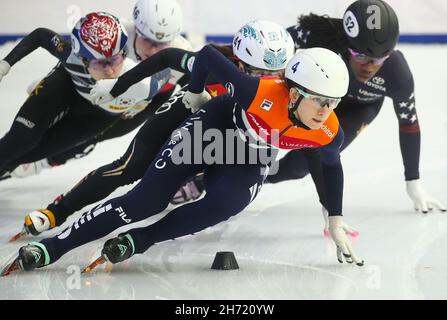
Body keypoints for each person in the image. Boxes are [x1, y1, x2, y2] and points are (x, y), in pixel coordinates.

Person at [2, 43, 367, 276]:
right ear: (293, 93)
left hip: (249, 153)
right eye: (320, 100)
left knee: (226, 203)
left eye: (333, 103)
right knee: (143, 200)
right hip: (215, 125)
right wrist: (193, 94)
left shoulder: (326, 129)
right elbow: (208, 55)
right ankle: (53, 246)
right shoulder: (257, 91)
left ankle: (141, 240)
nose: (327, 111)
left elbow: (331, 166)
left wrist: (335, 217)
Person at [10, 20, 295, 241]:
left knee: (238, 163)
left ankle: (194, 183)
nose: (268, 82)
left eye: (277, 75)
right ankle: (57, 211)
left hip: (227, 131)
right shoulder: (218, 67)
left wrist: (333, 214)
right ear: (240, 63)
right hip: (188, 109)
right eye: (258, 74)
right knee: (128, 167)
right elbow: (167, 57)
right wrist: (119, 86)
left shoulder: (289, 88)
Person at [173, 0, 447, 224]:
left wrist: (414, 182)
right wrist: (213, 67)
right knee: (254, 130)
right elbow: (269, 46)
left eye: (378, 59)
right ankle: (204, 168)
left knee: (297, 167)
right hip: (308, 95)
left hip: (356, 109)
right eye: (360, 56)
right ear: (346, 43)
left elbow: (409, 123)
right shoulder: (320, 36)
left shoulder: (397, 74)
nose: (369, 66)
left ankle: (207, 181)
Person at [0, 0, 191, 180]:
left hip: (122, 105)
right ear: (136, 30)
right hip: (78, 85)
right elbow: (65, 47)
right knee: (20, 141)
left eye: (164, 43)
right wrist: (45, 80)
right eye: (148, 40)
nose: (154, 50)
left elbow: (191, 95)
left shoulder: (178, 54)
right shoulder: (116, 33)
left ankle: (37, 164)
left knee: (70, 144)